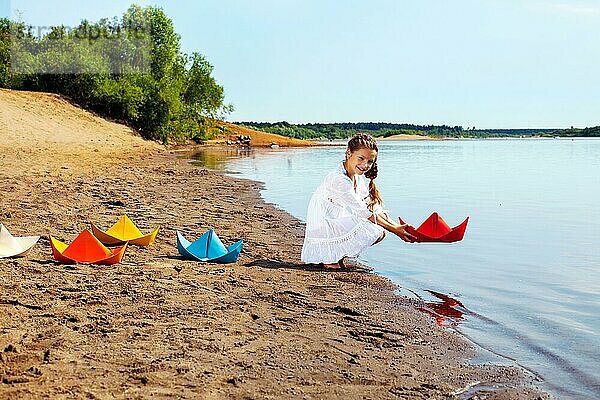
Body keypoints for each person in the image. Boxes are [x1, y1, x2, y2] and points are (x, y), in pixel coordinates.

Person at [301, 133, 416, 268]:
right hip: (323, 220)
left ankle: (335, 256)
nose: (365, 165)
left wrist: (397, 226)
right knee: (376, 230)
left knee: (380, 230)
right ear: (349, 153)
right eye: (361, 158)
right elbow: (364, 213)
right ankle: (329, 258)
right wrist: (395, 230)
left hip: (334, 216)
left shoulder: (357, 177)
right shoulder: (339, 179)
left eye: (369, 161)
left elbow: (371, 207)